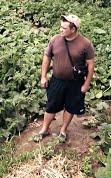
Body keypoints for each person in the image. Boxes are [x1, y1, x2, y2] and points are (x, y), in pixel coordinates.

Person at [35, 14, 95, 142]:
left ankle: (63, 130)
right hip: (57, 80)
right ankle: (45, 129)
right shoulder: (55, 39)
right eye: (60, 27)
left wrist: (86, 84)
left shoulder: (85, 44)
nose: (60, 30)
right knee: (51, 105)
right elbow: (47, 57)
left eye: (64, 28)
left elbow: (90, 66)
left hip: (75, 82)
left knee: (71, 107)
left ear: (73, 29)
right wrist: (43, 76)